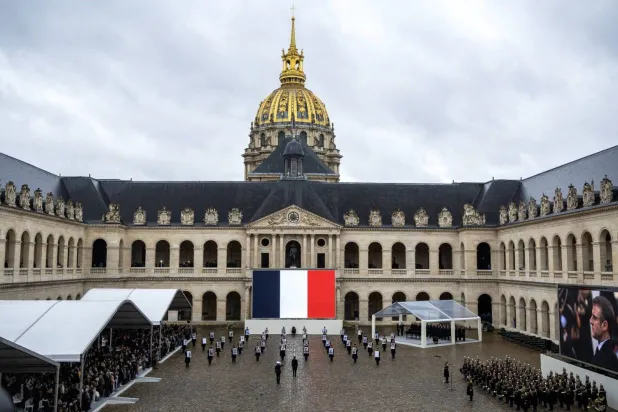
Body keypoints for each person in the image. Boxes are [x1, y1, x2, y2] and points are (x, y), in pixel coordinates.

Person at [590, 295, 618, 371]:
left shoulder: (609, 360)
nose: (590, 321)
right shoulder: (601, 350)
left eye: (594, 317)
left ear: (604, 325)